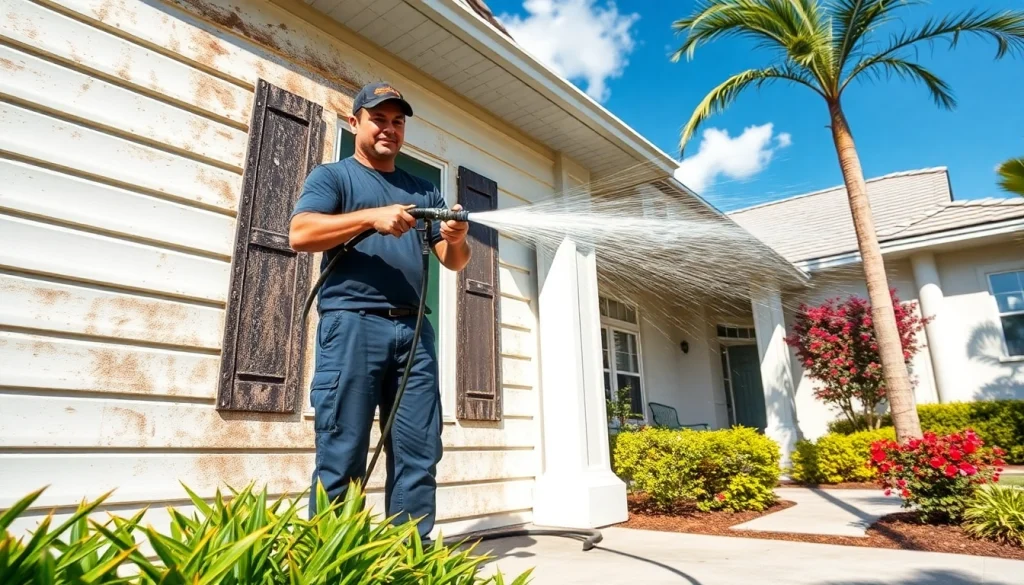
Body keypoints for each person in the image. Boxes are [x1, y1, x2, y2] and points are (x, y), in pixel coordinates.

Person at [289, 81, 471, 540]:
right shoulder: (332, 178)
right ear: (355, 123)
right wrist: (371, 217)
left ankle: (407, 557)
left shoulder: (423, 189)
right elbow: (302, 234)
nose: (389, 129)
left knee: (418, 451)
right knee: (342, 451)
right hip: (352, 326)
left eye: (398, 121)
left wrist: (456, 238)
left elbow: (452, 261)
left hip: (414, 335)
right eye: (379, 119)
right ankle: (331, 559)